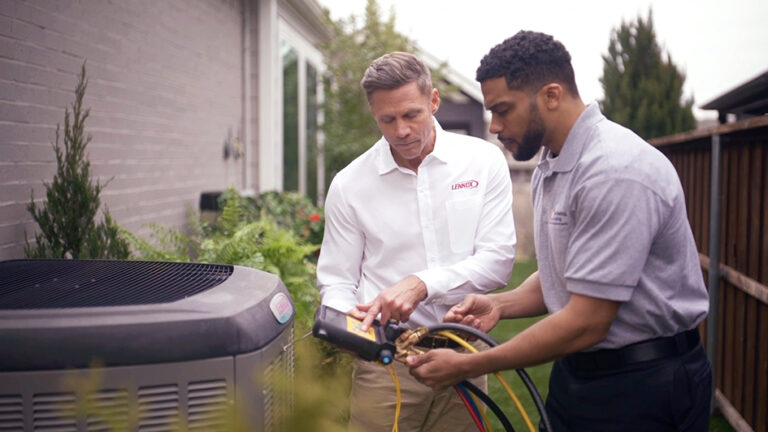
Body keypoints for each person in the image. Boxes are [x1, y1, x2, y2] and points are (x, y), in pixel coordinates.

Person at [406, 31, 712, 431]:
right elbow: (568, 272)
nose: (494, 126)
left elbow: (587, 320)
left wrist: (470, 364)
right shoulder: (551, 165)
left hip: (646, 385)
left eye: (503, 110)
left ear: (551, 95)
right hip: (579, 374)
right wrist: (500, 304)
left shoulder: (614, 171)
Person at [316, 51, 517, 432]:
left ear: (434, 101)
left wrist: (421, 284)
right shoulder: (349, 184)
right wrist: (347, 325)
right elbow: (337, 280)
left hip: (465, 356)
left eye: (412, 115)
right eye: (387, 119)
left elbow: (498, 261)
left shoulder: (483, 161)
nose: (401, 131)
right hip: (385, 364)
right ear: (374, 114)